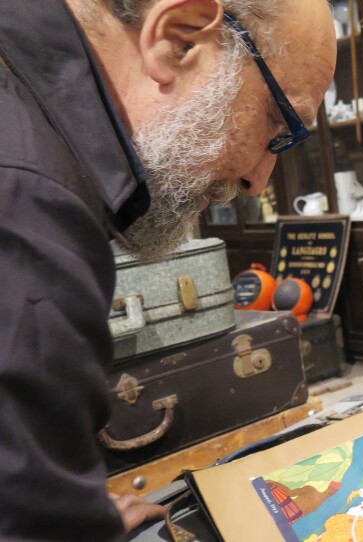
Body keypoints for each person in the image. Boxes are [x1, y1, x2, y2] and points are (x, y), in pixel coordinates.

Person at [0, 0, 335, 539]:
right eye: (278, 123)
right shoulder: (28, 202)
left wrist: (64, 497)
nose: (259, 181)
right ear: (177, 40)